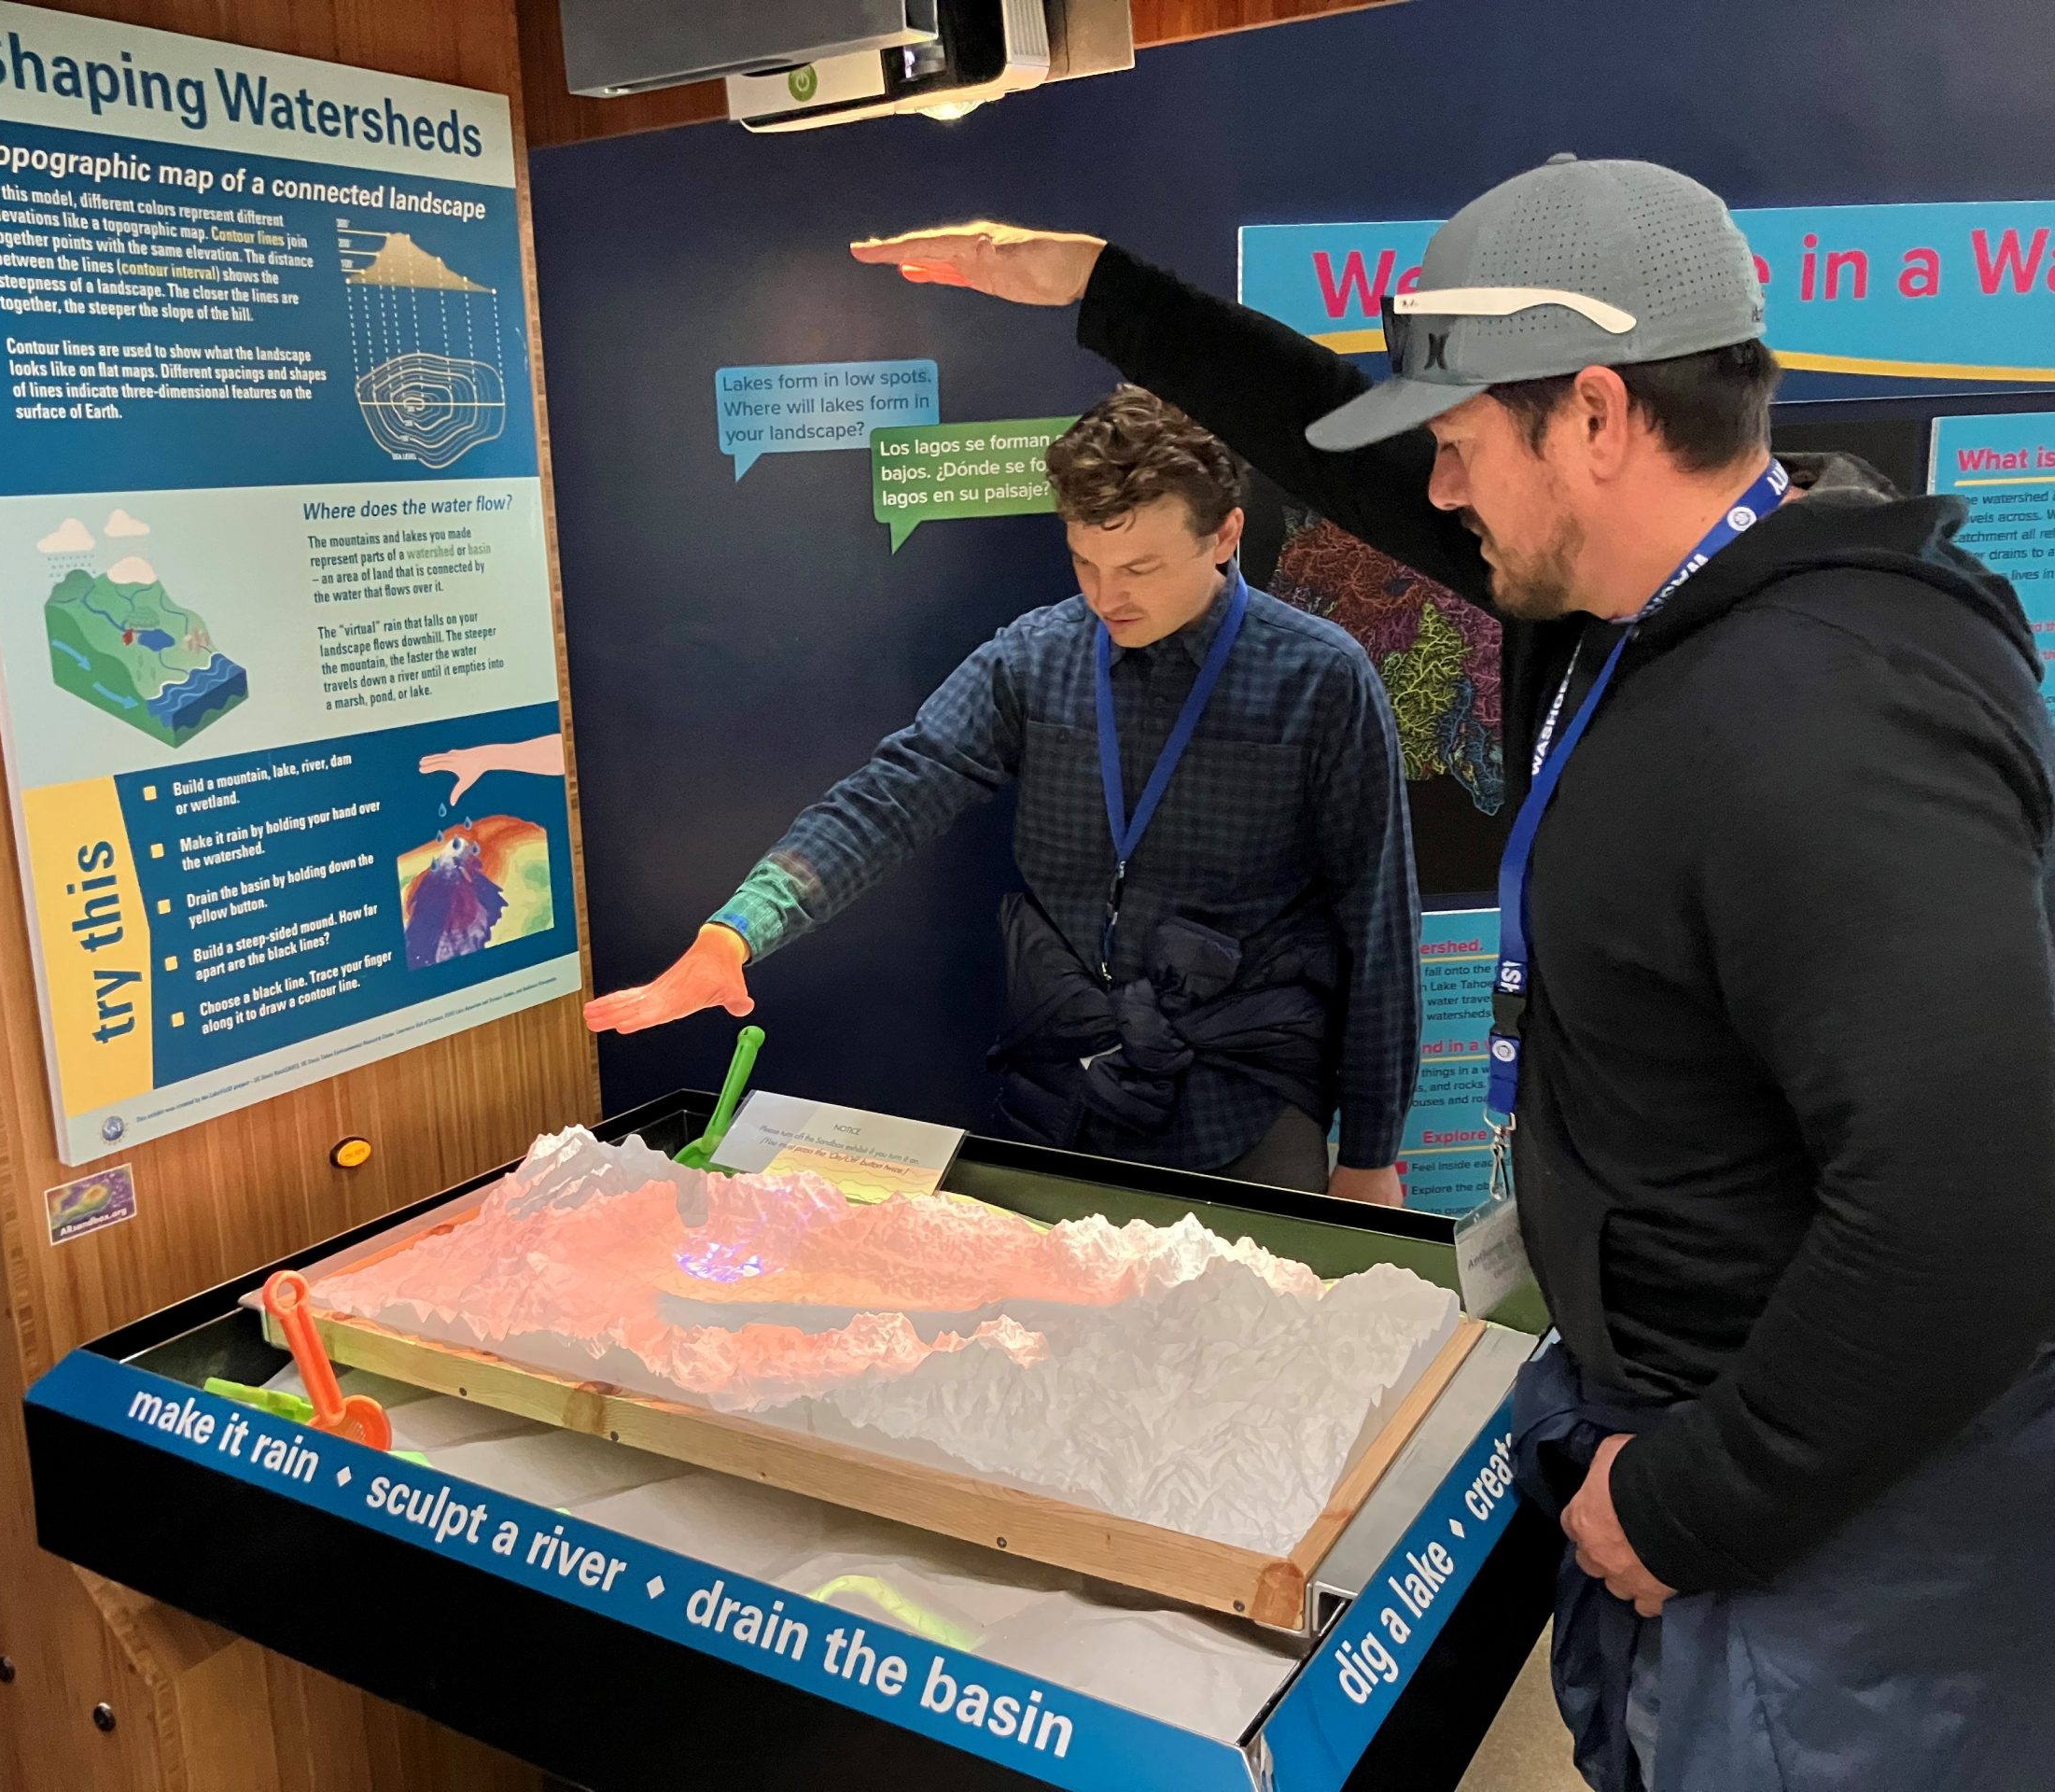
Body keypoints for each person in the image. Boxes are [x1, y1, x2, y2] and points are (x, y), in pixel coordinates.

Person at [847, 159, 2055, 1790]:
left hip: (1831, 1531)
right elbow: (1337, 457)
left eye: (1465, 443)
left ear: (1599, 418)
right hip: (1682, 1435)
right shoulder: (1633, 611)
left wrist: (1702, 1497)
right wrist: (1102, 294)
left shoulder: (1831, 714)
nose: (1438, 489)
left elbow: (1981, 1202)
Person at [585, 387, 1420, 1201]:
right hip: (1060, 1089)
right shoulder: (1038, 657)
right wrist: (739, 929)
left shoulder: (1322, 677)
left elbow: (1377, 923)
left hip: (1243, 1097)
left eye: (1139, 567)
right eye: (1085, 562)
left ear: (1225, 535)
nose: (1107, 597)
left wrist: (1373, 1151)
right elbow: (895, 793)